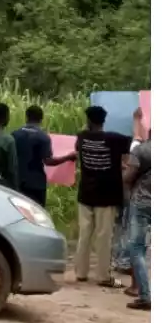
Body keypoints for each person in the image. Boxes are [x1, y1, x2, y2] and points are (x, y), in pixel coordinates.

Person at [58, 105, 133, 287]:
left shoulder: (82, 137)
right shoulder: (114, 139)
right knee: (104, 236)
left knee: (85, 234)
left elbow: (77, 148)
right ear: (103, 121)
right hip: (107, 196)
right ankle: (102, 276)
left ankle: (81, 272)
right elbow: (134, 144)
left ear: (89, 121)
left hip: (86, 194)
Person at [11, 105, 65, 207]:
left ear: (26, 117)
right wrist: (67, 157)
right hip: (36, 183)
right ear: (41, 119)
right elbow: (48, 161)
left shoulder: (15, 134)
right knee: (36, 214)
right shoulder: (43, 137)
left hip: (18, 181)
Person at [122, 132, 151, 310]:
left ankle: (145, 295)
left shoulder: (142, 150)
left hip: (141, 203)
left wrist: (125, 171)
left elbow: (128, 178)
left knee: (137, 248)